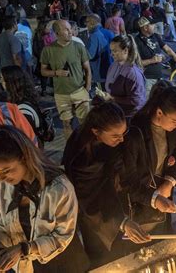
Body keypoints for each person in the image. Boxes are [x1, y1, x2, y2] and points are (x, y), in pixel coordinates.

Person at [0, 125, 89, 272]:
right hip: (26, 266)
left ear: (24, 158)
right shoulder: (0, 185)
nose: (1, 178)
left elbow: (62, 235)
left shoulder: (59, 188)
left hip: (62, 264)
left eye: (6, 170)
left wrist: (25, 249)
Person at [62, 101, 150, 267]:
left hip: (114, 208)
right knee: (106, 261)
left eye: (124, 133)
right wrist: (121, 222)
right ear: (96, 132)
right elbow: (92, 196)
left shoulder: (105, 141)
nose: (122, 139)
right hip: (96, 217)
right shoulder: (82, 157)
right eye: (116, 136)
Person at [119, 81, 176, 234]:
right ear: (159, 113)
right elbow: (127, 182)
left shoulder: (173, 129)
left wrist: (169, 181)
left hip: (162, 202)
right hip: (142, 205)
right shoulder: (134, 135)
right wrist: (155, 198)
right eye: (175, 121)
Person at [40, 20, 92, 138]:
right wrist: (56, 72)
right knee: (66, 123)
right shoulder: (48, 50)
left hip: (79, 91)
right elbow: (43, 71)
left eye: (70, 29)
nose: (71, 32)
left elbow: (88, 69)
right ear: (57, 33)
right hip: (61, 94)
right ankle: (71, 147)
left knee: (85, 123)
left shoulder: (78, 47)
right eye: (66, 30)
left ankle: (87, 147)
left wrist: (87, 89)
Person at [134, 16, 176, 95]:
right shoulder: (136, 41)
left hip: (159, 77)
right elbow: (135, 63)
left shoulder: (156, 36)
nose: (155, 26)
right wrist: (152, 60)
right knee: (147, 103)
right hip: (147, 79)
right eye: (152, 24)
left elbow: (168, 50)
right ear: (145, 28)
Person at [0, 65, 45, 146]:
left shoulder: (22, 108)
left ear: (11, 82)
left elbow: (25, 137)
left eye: (2, 79)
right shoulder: (26, 99)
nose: (0, 81)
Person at [105, 35, 146, 117]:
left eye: (115, 51)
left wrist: (113, 99)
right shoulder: (113, 65)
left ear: (125, 51)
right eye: (111, 51)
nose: (111, 54)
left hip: (128, 116)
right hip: (116, 112)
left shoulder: (133, 73)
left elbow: (137, 100)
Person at [86, 14, 112, 88]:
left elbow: (90, 55)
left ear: (92, 23)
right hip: (111, 68)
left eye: (87, 22)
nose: (86, 24)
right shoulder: (109, 32)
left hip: (100, 71)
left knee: (103, 95)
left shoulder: (94, 35)